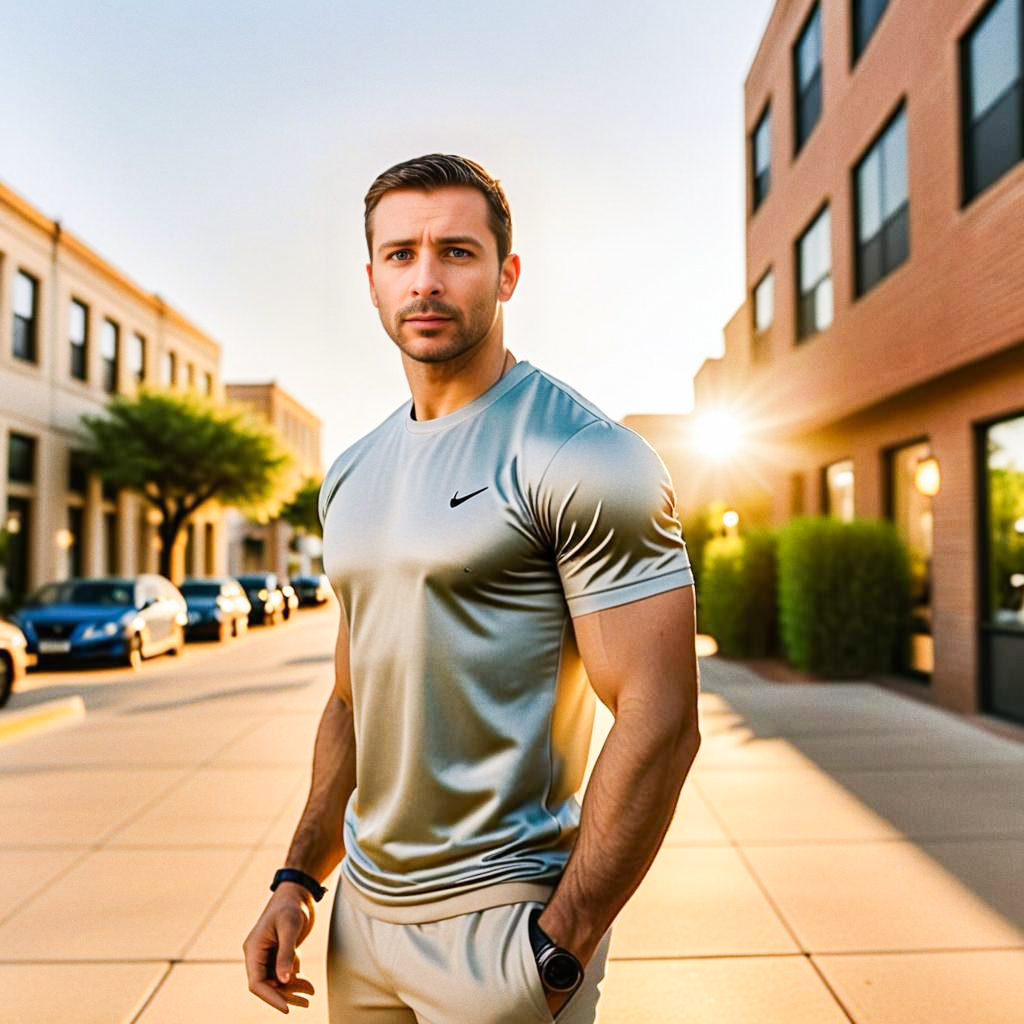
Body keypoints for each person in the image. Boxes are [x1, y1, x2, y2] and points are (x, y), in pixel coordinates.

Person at [244, 153, 702, 1023]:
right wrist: (299, 878)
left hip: (503, 924)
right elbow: (351, 698)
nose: (425, 280)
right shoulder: (350, 475)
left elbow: (662, 716)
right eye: (401, 256)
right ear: (372, 279)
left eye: (456, 252)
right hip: (362, 923)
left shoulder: (584, 454)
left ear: (507, 273)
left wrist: (562, 943)